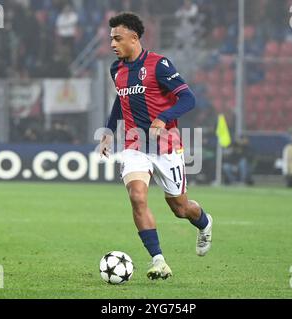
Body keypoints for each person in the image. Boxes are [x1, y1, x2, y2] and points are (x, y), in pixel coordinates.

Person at [98, 12, 213, 281]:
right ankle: (158, 260)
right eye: (111, 39)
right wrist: (108, 132)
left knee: (181, 208)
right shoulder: (116, 69)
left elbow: (188, 99)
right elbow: (120, 102)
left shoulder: (159, 65)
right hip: (135, 145)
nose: (112, 44)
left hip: (167, 146)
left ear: (134, 38)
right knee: (137, 196)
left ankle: (205, 223)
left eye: (117, 38)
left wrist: (163, 117)